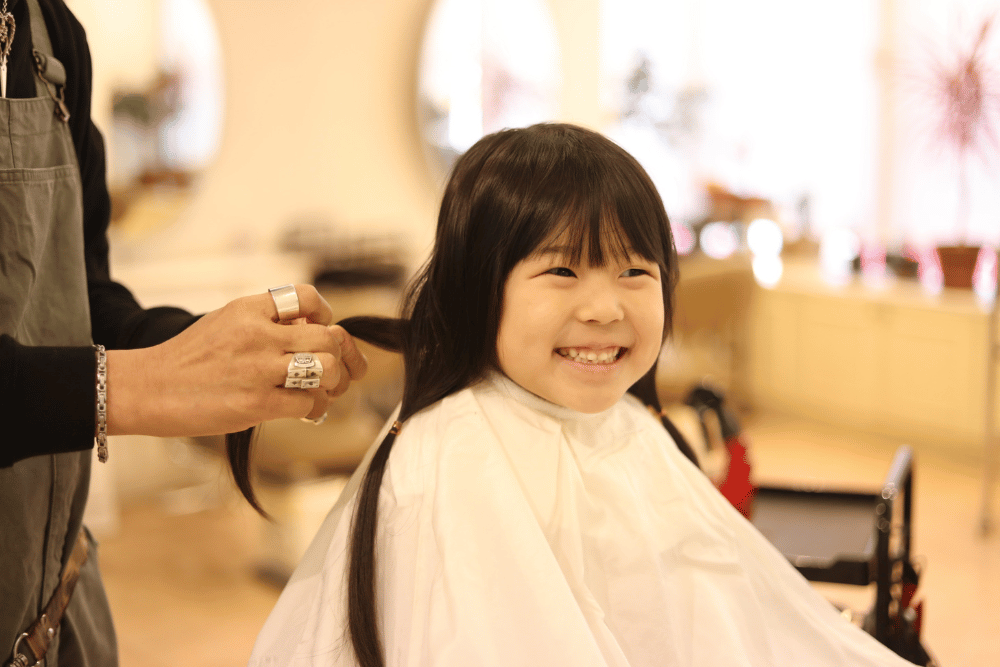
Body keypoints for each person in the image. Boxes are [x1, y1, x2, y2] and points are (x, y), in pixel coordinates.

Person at [230, 123, 920, 666]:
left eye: (633, 271)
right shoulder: (454, 458)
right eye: (562, 269)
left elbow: (708, 619)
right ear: (479, 290)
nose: (604, 307)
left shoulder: (631, 425)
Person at [1, 0, 367, 665]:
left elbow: (84, 300)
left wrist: (212, 348)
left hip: (55, 610)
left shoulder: (54, 36)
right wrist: (139, 386)